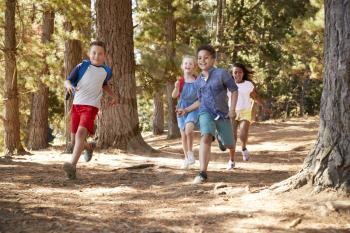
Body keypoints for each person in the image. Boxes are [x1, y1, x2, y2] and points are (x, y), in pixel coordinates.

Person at [178, 45, 238, 184]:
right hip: (205, 112)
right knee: (205, 136)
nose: (202, 60)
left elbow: (234, 90)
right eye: (199, 58)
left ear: (213, 59)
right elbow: (200, 101)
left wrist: (232, 109)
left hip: (223, 114)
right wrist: (186, 110)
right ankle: (202, 173)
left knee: (230, 144)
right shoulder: (198, 80)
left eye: (206, 57)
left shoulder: (222, 73)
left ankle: (221, 138)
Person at [63, 40, 118, 179]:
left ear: (104, 56)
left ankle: (72, 165)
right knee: (75, 140)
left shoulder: (106, 71)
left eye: (100, 54)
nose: (96, 56)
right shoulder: (82, 66)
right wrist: (69, 85)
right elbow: (68, 80)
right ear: (89, 53)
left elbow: (104, 85)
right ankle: (89, 147)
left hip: (91, 106)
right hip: (77, 105)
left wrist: (113, 96)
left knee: (81, 133)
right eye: (94, 52)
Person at [222, 63, 270, 162]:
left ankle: (243, 148)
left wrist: (264, 106)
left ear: (243, 73)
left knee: (243, 134)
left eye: (240, 72)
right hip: (232, 111)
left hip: (245, 111)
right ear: (232, 73)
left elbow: (255, 97)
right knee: (232, 137)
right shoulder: (228, 84)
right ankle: (231, 160)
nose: (237, 74)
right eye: (235, 72)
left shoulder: (248, 85)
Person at [172, 55, 199, 169]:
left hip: (193, 108)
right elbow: (174, 96)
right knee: (183, 135)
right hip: (180, 108)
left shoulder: (197, 81)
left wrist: (189, 109)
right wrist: (177, 87)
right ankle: (186, 158)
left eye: (190, 64)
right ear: (182, 66)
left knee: (188, 130)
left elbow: (200, 98)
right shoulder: (180, 81)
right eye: (186, 63)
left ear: (194, 67)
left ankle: (190, 152)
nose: (188, 65)